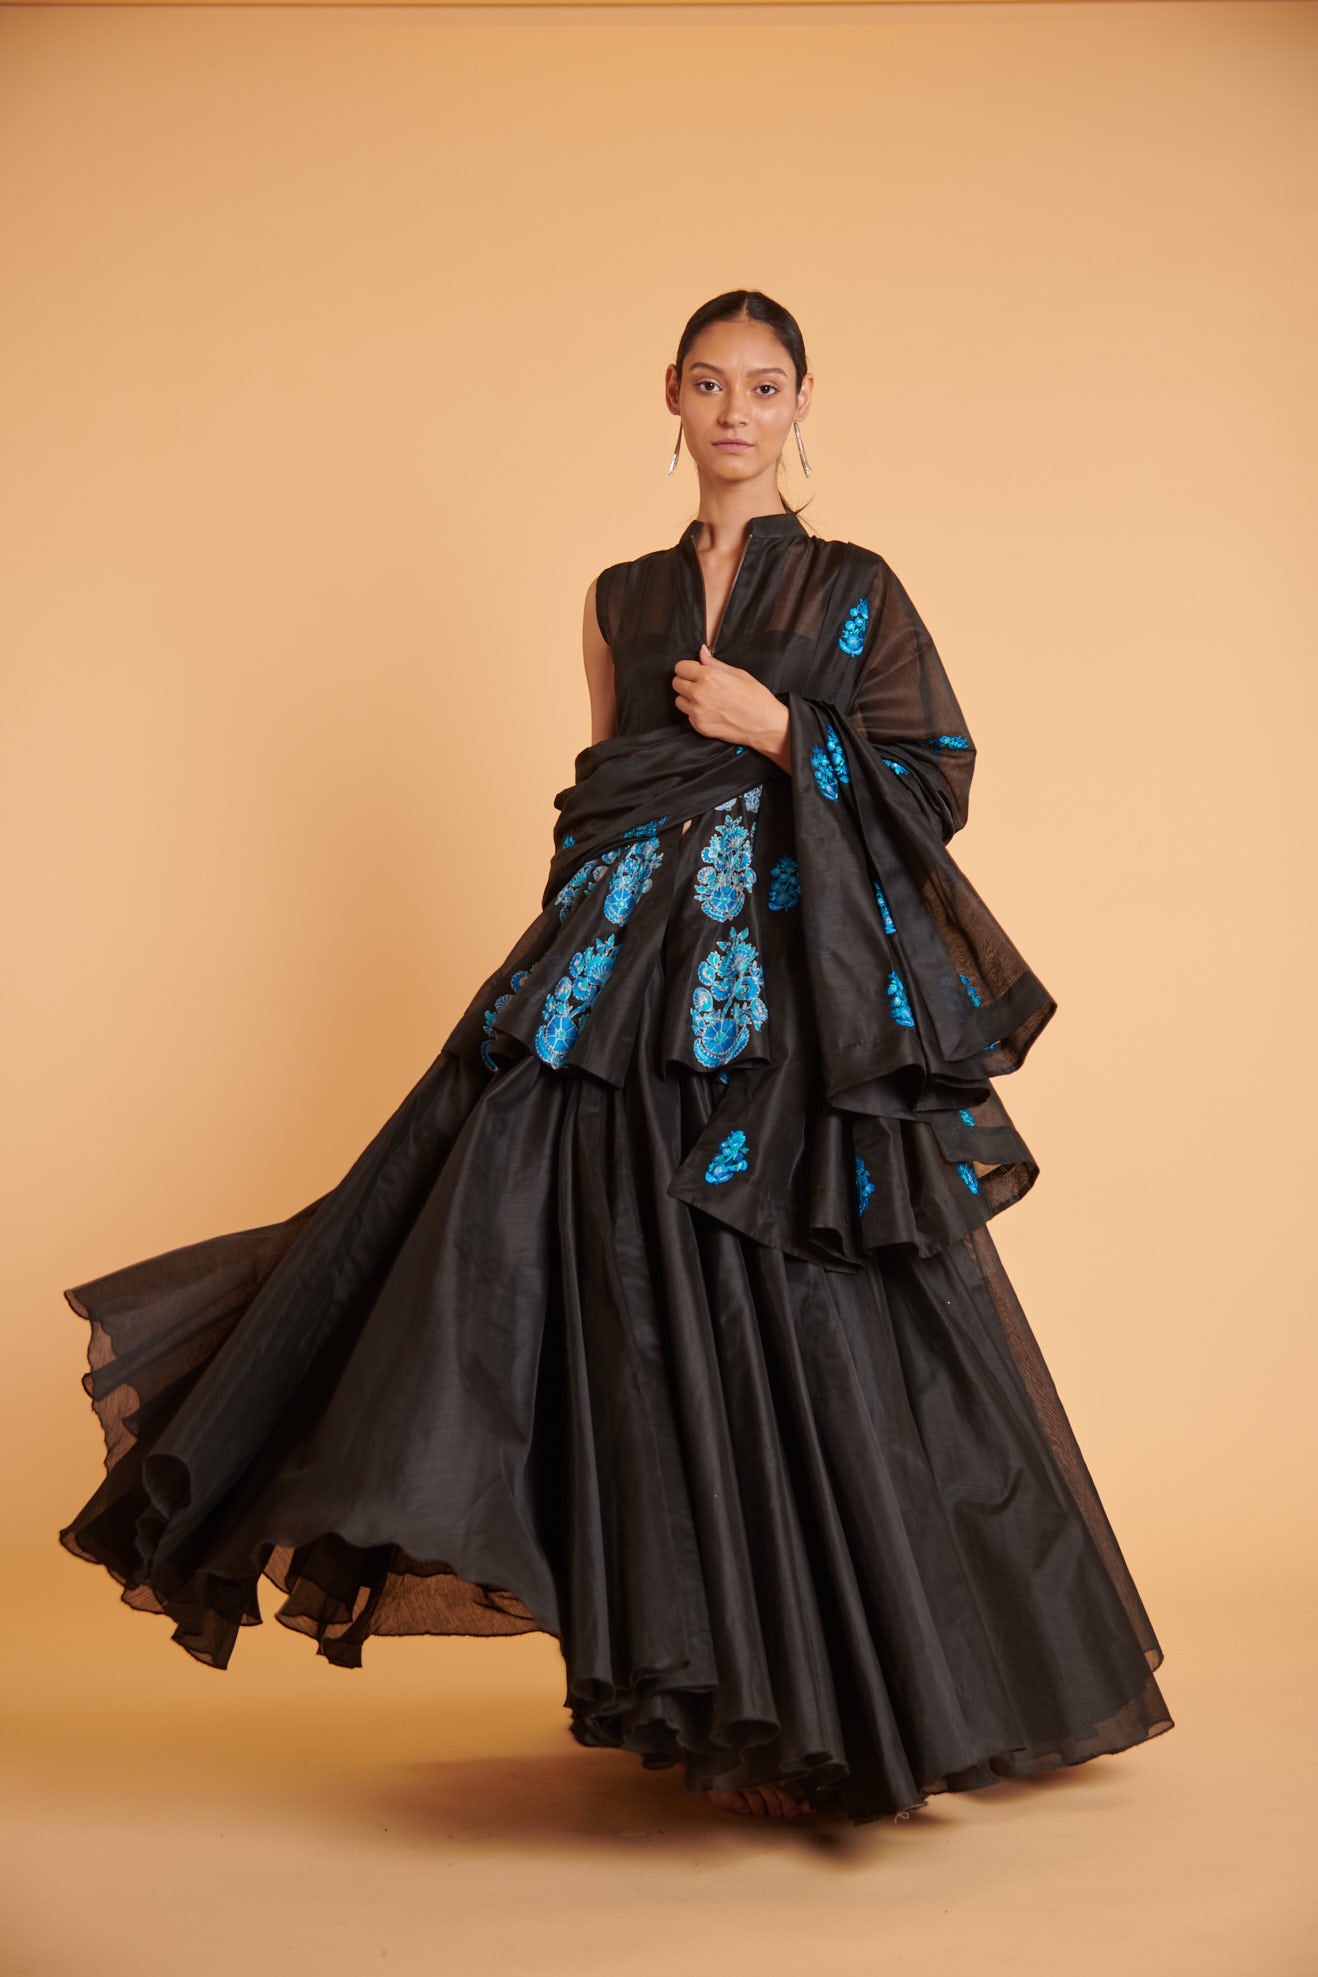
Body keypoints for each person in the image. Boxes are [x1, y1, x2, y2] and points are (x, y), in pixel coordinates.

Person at [57, 288, 1173, 1828]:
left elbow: (932, 778)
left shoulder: (852, 586)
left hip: (780, 1001)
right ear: (669, 396)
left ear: (800, 405)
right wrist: (557, 973)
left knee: (799, 1316)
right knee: (609, 1307)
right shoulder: (617, 597)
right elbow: (602, 794)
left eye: (764, 387)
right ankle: (702, 1687)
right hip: (614, 984)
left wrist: (780, 728)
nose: (735, 413)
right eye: (710, 384)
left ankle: (846, 1700)